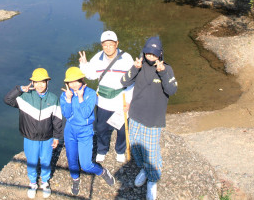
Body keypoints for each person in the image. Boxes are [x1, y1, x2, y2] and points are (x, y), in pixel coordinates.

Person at [120, 36, 178, 200]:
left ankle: (153, 180)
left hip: (153, 120)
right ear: (144, 52)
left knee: (151, 152)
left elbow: (172, 90)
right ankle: (144, 169)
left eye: (154, 54)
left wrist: (163, 73)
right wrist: (133, 68)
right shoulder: (139, 66)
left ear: (160, 54)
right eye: (148, 53)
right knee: (136, 146)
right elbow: (123, 81)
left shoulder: (166, 69)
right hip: (136, 115)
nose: (150, 57)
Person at [3, 68, 63, 199]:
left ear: (47, 82)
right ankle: (33, 183)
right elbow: (7, 99)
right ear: (32, 83)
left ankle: (45, 182)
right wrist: (19, 89)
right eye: (36, 82)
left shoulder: (53, 99)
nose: (39, 85)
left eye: (43, 82)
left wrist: (57, 137)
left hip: (47, 138)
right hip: (30, 138)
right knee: (32, 161)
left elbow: (57, 119)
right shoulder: (24, 97)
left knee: (46, 161)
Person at [79, 30, 134, 163]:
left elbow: (133, 82)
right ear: (102, 45)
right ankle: (102, 150)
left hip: (120, 99)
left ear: (117, 44)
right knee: (101, 128)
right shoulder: (97, 58)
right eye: (105, 44)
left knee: (121, 128)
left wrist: (129, 101)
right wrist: (84, 64)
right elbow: (91, 75)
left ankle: (120, 150)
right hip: (103, 100)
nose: (108, 47)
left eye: (111, 44)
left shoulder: (126, 58)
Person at [60, 67, 115, 196]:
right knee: (71, 159)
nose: (73, 85)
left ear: (82, 79)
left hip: (85, 131)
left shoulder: (90, 93)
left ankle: (102, 172)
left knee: (86, 164)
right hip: (70, 130)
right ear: (66, 83)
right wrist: (68, 100)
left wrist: (80, 98)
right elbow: (66, 114)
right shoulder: (65, 94)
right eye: (70, 82)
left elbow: (85, 114)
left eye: (76, 81)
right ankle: (75, 179)